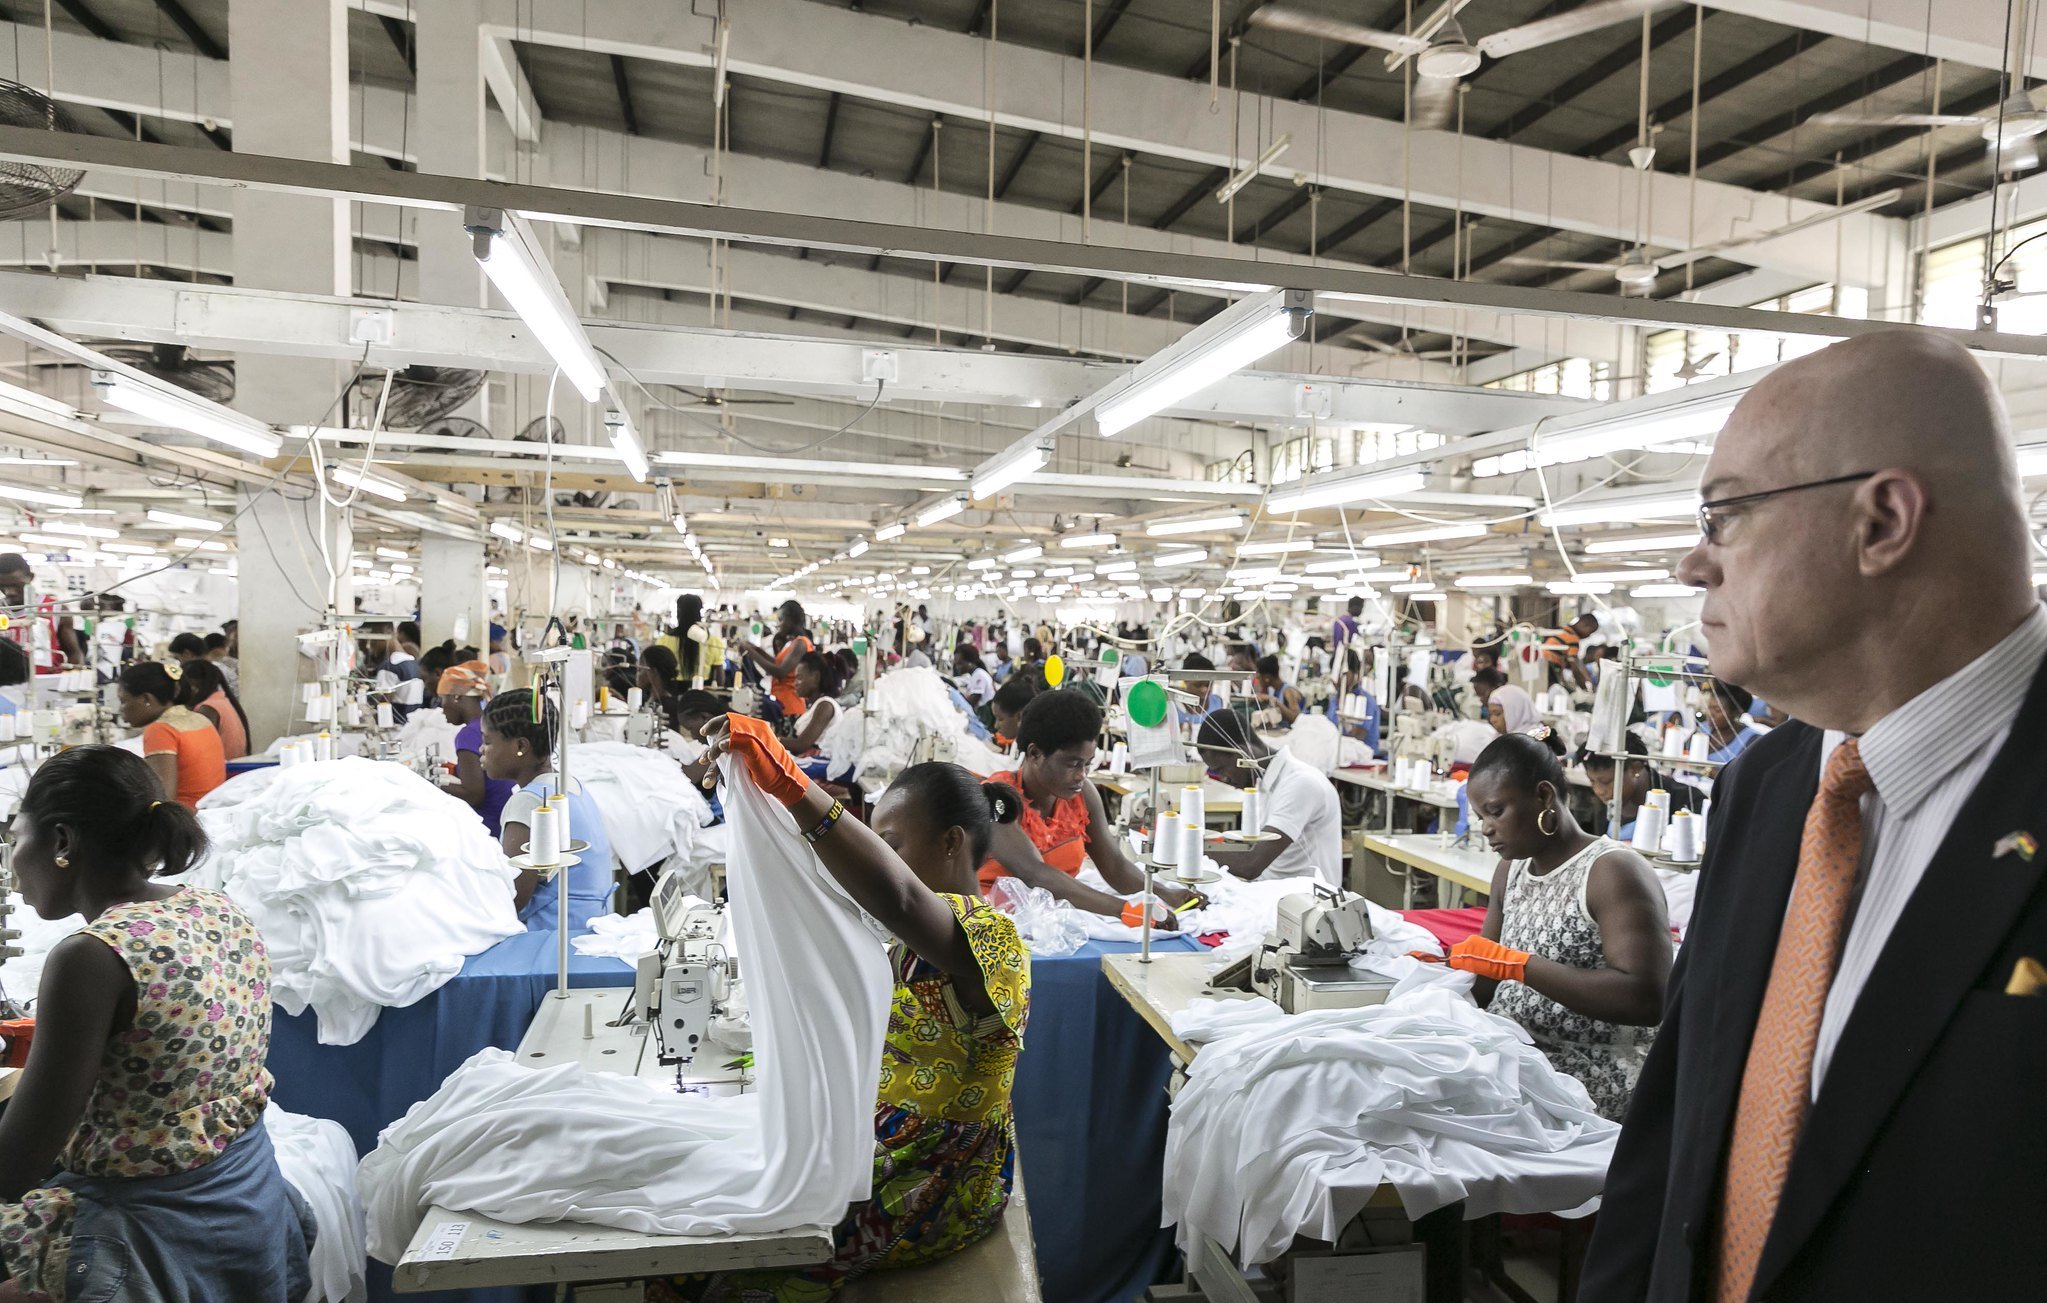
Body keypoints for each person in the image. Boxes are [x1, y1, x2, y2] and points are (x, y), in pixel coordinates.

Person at [1580, 331, 2047, 1301]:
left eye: (1725, 515)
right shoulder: (1770, 783)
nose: (1688, 562)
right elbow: (1673, 1136)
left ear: (1880, 520)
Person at [659, 733, 1028, 1302]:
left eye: (893, 844)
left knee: (708, 1259)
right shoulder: (905, 940)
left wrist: (794, 786)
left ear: (952, 842)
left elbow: (901, 896)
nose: (881, 857)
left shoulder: (993, 939)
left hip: (937, 1176)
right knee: (692, 1179)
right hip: (882, 1139)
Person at [0, 746, 312, 1301]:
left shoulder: (90, 957)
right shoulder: (215, 908)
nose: (11, 864)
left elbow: (13, 1166)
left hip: (146, 1241)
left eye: (14, 841)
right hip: (245, 1209)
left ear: (63, 842)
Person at [1422, 731, 1671, 1122]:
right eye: (1481, 816)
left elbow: (1645, 998)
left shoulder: (1613, 872)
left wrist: (1522, 967)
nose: (1486, 828)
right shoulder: (1513, 869)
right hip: (1516, 1052)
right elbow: (1488, 975)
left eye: (1496, 811)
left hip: (1588, 1077)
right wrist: (1436, 971)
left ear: (1543, 797)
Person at [980, 689, 1197, 923]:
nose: (1081, 776)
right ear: (1035, 753)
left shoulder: (1081, 796)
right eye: (1073, 764)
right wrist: (1126, 909)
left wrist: (1165, 894)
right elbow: (1036, 874)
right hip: (995, 923)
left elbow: (1114, 865)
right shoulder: (997, 799)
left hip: (1053, 919)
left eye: (1087, 764)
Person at [480, 689, 615, 932]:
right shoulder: (571, 785)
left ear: (521, 746)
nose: (482, 750)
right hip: (591, 924)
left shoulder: (528, 802)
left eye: (488, 741)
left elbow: (511, 900)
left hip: (552, 938)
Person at [1195, 712, 1342, 887]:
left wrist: (1189, 848)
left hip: (1309, 902)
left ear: (1242, 751)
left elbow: (1250, 864)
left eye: (1221, 769)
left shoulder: (1300, 783)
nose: (1223, 778)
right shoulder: (1266, 783)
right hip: (1276, 891)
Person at [118, 661, 225, 808]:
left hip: (186, 820)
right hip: (211, 811)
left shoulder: (161, 730)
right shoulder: (200, 719)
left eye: (123, 701)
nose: (121, 709)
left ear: (146, 699)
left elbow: (161, 799)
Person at [438, 661, 513, 837]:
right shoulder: (492, 723)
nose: (442, 708)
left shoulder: (468, 735)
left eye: (443, 699)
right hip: (506, 816)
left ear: (457, 697)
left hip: (488, 826)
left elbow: (473, 794)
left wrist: (429, 784)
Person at [1577, 736, 1695, 844]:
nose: (1599, 791)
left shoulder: (1688, 802)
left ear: (1635, 768)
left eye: (1606, 782)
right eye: (1592, 781)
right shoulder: (1606, 805)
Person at [0, 553, 83, 672]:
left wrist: (71, 680)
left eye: (16, 586)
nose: (10, 592)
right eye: (2, 586)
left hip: (45, 685)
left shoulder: (56, 611)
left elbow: (74, 654)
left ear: (30, 577)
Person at [739, 600, 813, 721]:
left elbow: (780, 672)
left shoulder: (801, 643)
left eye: (781, 620)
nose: (778, 625)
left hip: (790, 707)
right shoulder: (792, 643)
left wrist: (750, 651)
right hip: (781, 703)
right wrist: (755, 648)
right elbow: (776, 663)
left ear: (791, 620)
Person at [178, 656, 248, 762]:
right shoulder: (221, 701)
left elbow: (196, 751)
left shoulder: (207, 709)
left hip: (225, 771)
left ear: (194, 686)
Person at [787, 651, 844, 770]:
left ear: (816, 677)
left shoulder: (825, 705)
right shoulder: (815, 705)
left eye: (799, 678)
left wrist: (770, 737)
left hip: (817, 765)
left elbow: (801, 745)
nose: (795, 684)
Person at [655, 594, 725, 689]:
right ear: (700, 613)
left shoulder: (663, 641)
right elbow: (720, 681)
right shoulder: (713, 642)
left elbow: (657, 675)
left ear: (678, 612)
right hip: (702, 695)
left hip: (672, 693)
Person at [1700, 679, 1762, 764]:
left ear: (1736, 713)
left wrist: (1709, 771)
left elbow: (1742, 773)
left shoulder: (1751, 741)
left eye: (1717, 710)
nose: (1710, 714)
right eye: (1709, 708)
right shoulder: (1703, 729)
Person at [377, 621, 425, 722]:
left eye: (372, 639)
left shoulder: (391, 666)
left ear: (385, 635)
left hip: (396, 726)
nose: (369, 645)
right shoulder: (412, 662)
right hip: (412, 724)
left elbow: (384, 704)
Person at [638, 644, 686, 734]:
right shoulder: (647, 698)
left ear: (653, 672)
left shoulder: (666, 706)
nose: (637, 676)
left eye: (640, 670)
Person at [1252, 654, 1306, 727]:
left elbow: (1296, 719)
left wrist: (1274, 701)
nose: (1257, 680)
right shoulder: (1273, 690)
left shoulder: (1288, 691)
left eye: (1259, 677)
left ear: (1267, 678)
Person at [989, 673, 1037, 749]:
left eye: (1000, 719)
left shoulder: (1036, 750)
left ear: (1020, 717)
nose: (996, 726)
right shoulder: (1019, 743)